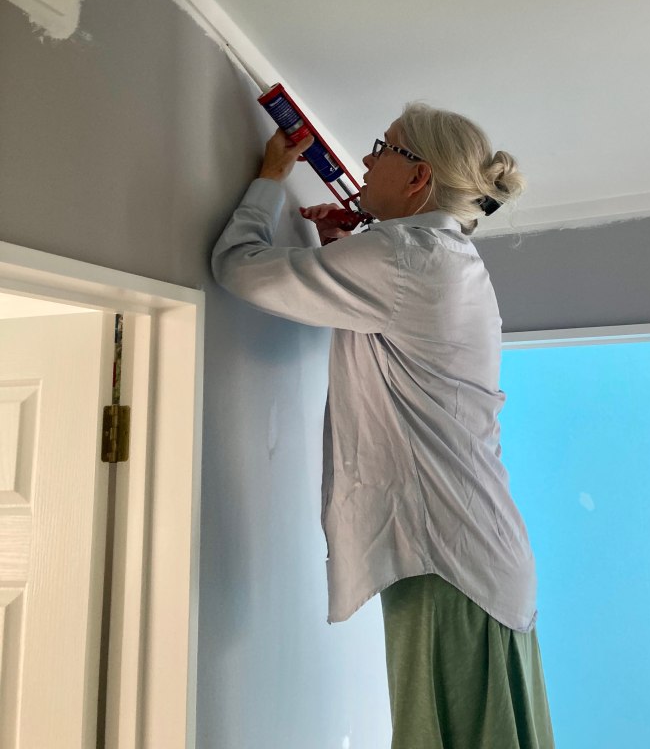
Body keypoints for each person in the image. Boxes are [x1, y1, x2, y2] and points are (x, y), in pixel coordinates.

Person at [211, 102, 555, 749]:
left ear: (419, 176)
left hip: (452, 561)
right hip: (471, 555)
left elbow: (238, 267)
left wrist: (270, 180)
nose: (367, 159)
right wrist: (345, 253)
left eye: (384, 147)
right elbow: (395, 331)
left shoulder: (406, 254)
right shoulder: (442, 258)